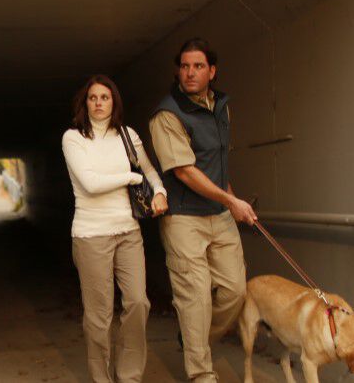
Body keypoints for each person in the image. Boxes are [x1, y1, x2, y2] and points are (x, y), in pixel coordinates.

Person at [149, 38, 258, 382]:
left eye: (197, 66)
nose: (190, 72)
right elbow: (184, 170)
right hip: (183, 218)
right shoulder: (167, 114)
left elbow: (217, 166)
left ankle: (194, 339)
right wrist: (232, 202)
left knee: (235, 291)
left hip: (219, 213)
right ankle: (201, 374)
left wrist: (233, 200)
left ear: (212, 71)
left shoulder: (221, 107)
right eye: (184, 66)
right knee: (195, 298)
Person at [61, 74, 168, 383]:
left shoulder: (127, 135)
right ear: (85, 102)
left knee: (138, 302)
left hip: (128, 232)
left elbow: (149, 169)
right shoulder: (74, 138)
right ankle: (101, 378)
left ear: (114, 102)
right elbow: (91, 184)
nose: (98, 103)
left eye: (104, 97)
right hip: (91, 235)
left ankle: (130, 376)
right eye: (92, 98)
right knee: (99, 315)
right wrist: (132, 178)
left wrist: (160, 191)